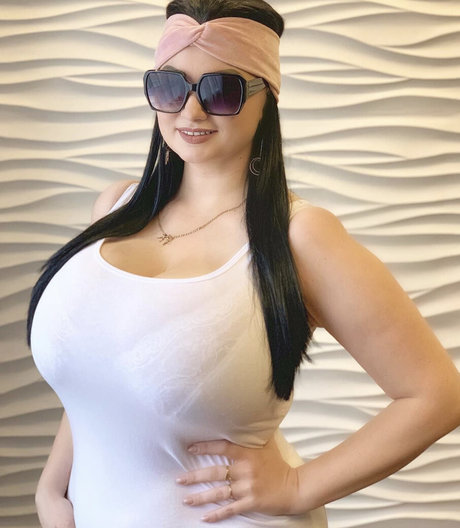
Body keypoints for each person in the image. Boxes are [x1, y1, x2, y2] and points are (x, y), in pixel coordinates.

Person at [28, 0, 460, 527]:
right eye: (170, 87)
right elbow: (98, 372)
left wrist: (298, 485)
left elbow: (436, 395)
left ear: (266, 98)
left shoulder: (299, 236)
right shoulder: (115, 208)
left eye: (221, 91)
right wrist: (52, 488)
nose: (191, 112)